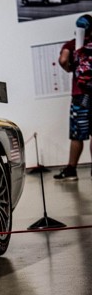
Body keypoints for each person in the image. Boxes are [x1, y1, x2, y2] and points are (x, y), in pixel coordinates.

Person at [54, 14, 92, 181]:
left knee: (77, 134)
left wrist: (70, 68)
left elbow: (63, 61)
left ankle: (71, 170)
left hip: (80, 96)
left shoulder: (72, 44)